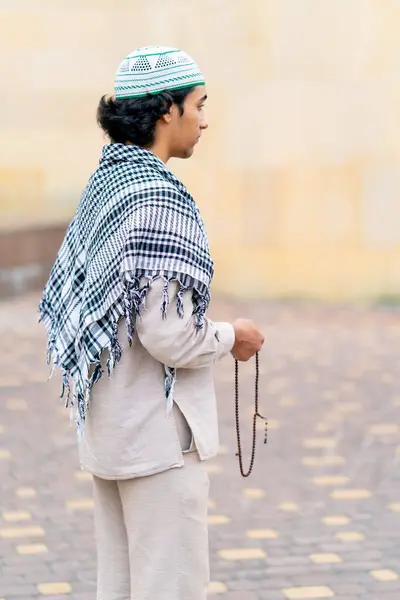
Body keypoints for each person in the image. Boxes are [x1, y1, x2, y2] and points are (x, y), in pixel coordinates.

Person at [39, 46, 264, 600]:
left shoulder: (107, 185)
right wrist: (233, 337)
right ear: (168, 111)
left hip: (112, 429)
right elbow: (168, 334)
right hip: (157, 438)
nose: (205, 120)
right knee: (171, 587)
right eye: (199, 105)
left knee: (119, 587)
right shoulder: (157, 195)